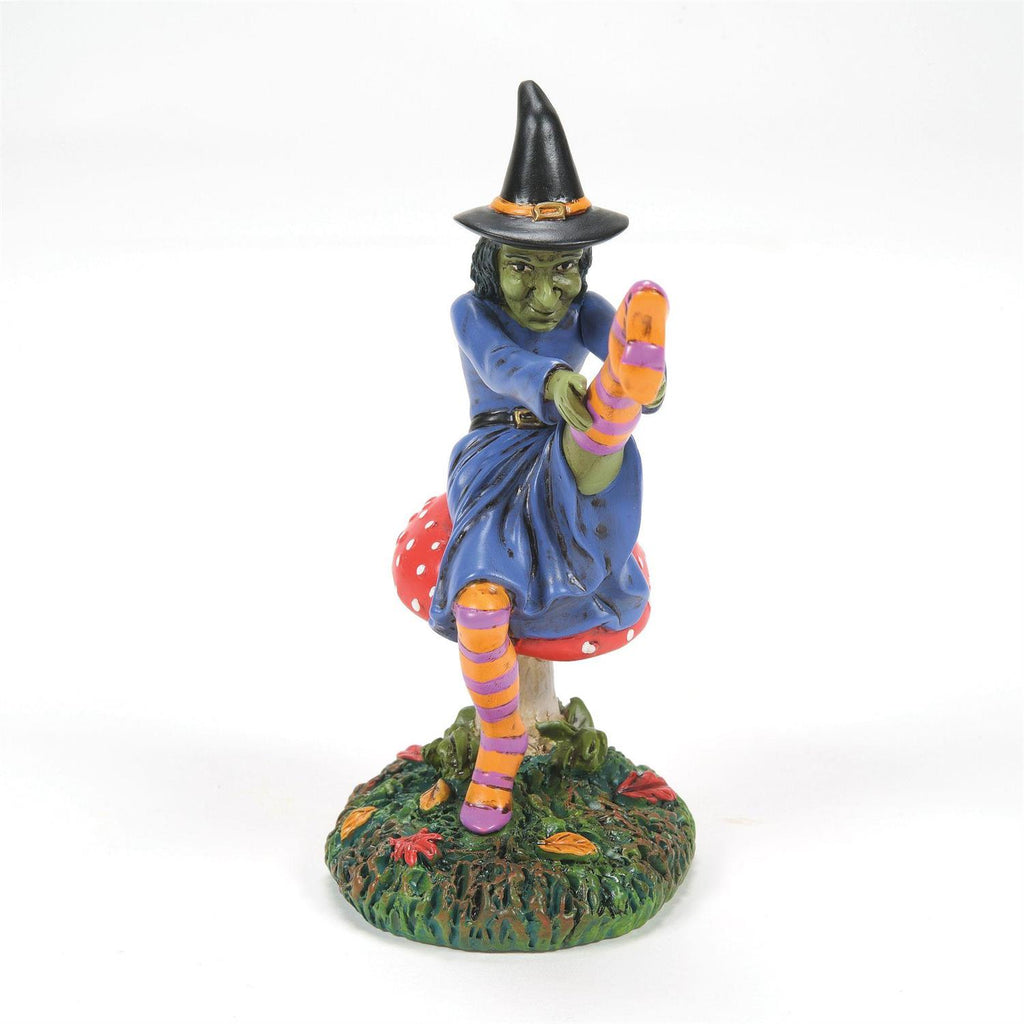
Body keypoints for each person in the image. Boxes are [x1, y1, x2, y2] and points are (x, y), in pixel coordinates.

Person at [428, 82, 668, 834]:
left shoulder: (586, 309)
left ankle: (620, 402)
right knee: (481, 605)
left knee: (595, 434)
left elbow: (608, 334)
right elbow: (499, 363)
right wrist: (553, 380)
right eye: (522, 269)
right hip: (498, 458)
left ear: (583, 266)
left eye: (562, 270)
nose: (544, 292)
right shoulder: (471, 312)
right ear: (489, 262)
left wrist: (643, 377)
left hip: (576, 450)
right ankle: (500, 742)